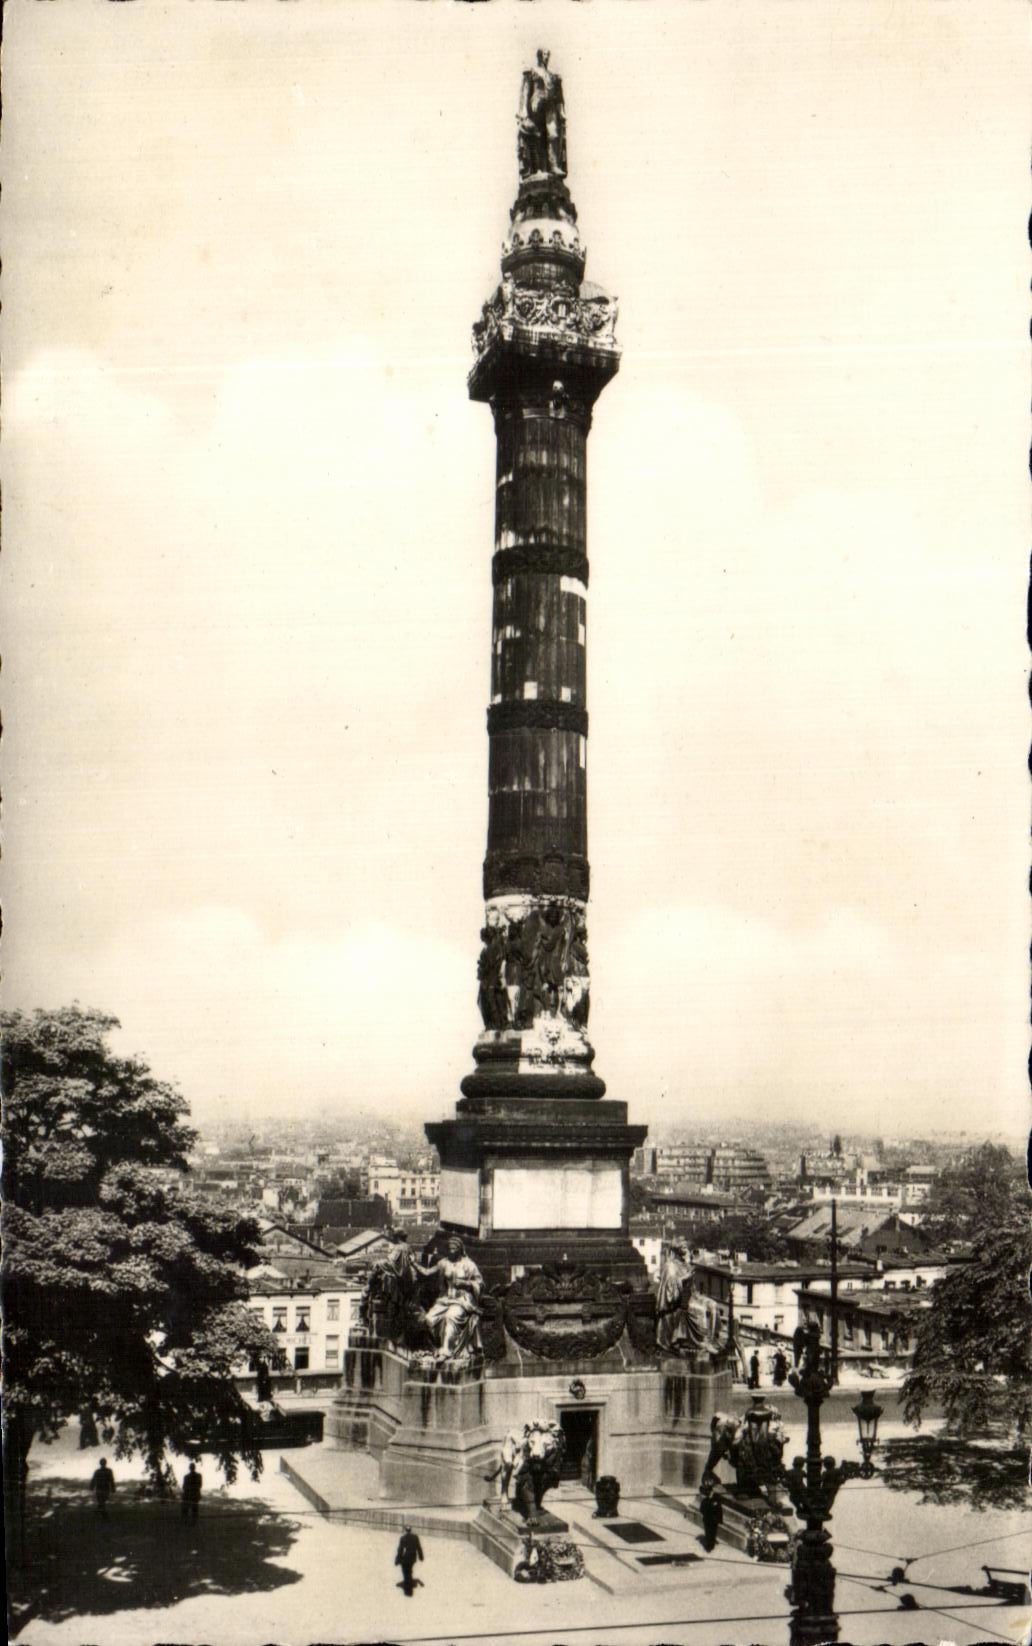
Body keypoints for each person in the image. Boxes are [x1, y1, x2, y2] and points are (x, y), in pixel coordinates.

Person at [395, 1525, 424, 1596]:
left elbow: (400, 1550)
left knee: (405, 1571)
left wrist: (397, 1560)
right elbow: (419, 1548)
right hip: (413, 1558)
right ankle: (408, 1586)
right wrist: (421, 1557)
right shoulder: (415, 1537)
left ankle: (407, 1587)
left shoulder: (403, 1538)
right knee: (409, 1570)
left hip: (405, 1559)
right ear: (410, 1530)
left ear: (405, 1530)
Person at [699, 1480, 723, 1552]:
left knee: (713, 1533)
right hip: (708, 1520)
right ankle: (709, 1546)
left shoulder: (716, 1499)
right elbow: (702, 1509)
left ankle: (711, 1545)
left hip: (714, 1520)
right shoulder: (705, 1500)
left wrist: (719, 1519)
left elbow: (719, 1509)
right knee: (709, 1533)